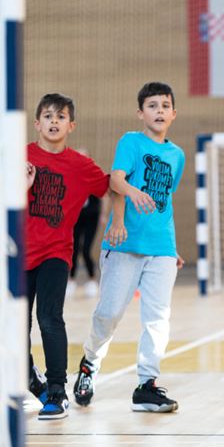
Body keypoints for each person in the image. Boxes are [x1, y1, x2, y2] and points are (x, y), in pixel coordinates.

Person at [73, 82, 185, 413]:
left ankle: (146, 385)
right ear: (141, 113)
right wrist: (122, 216)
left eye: (165, 106)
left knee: (157, 318)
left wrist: (172, 247)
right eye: (152, 106)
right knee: (109, 313)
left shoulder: (177, 155)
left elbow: (165, 203)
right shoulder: (131, 142)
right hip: (123, 244)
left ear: (174, 114)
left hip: (162, 248)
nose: (159, 111)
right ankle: (89, 363)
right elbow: (116, 182)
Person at [25, 93, 110, 419]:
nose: (54, 121)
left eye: (60, 117)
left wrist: (117, 222)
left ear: (70, 125)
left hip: (55, 255)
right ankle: (31, 379)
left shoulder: (80, 165)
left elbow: (110, 188)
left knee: (48, 319)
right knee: (15, 327)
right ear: (37, 123)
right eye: (47, 116)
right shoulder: (22, 157)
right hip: (19, 254)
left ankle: (57, 392)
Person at [66, 148, 108, 299]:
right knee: (74, 249)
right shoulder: (70, 175)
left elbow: (104, 195)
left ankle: (91, 280)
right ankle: (70, 281)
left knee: (86, 250)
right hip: (76, 217)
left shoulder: (94, 174)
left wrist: (103, 214)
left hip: (92, 217)